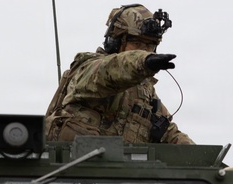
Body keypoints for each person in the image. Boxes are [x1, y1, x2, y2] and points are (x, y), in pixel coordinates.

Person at [45, 5, 194, 145]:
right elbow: (109, 71)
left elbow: (170, 133)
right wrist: (142, 61)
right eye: (137, 44)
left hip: (125, 171)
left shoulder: (146, 95)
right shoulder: (87, 69)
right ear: (115, 42)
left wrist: (209, 161)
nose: (145, 50)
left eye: (150, 45)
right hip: (75, 168)